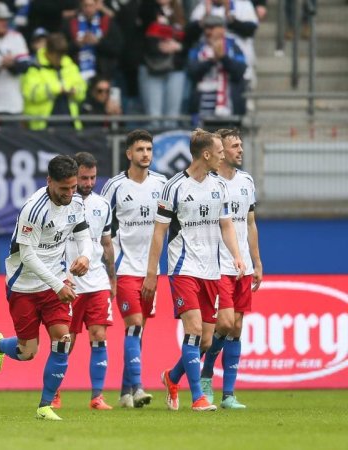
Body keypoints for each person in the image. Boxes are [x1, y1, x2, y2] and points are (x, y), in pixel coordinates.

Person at [142, 128, 245, 412]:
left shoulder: (218, 187)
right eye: (220, 151)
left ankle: (172, 377)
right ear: (206, 154)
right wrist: (153, 272)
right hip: (183, 267)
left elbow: (226, 225)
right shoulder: (174, 187)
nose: (223, 155)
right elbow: (159, 232)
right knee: (195, 330)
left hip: (212, 270)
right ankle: (198, 397)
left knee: (210, 338)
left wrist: (237, 256)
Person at [0, 155, 93, 421]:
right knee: (27, 352)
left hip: (53, 284)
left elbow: (83, 235)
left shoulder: (76, 202)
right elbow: (28, 256)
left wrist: (85, 256)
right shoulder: (33, 210)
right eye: (63, 189)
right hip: (23, 285)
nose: (69, 194)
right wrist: (58, 285)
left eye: (72, 187)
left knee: (62, 339)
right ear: (49, 182)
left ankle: (45, 406)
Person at [100, 129, 165, 408]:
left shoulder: (162, 184)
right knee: (134, 326)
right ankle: (138, 387)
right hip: (124, 266)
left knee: (137, 333)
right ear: (129, 154)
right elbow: (99, 222)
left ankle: (125, 393)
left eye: (149, 149)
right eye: (140, 150)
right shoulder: (115, 186)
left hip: (151, 270)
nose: (145, 154)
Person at [199, 128, 262, 409]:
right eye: (234, 146)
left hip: (243, 265)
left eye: (240, 145)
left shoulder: (247, 181)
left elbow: (249, 223)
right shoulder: (208, 184)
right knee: (222, 324)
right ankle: (204, 376)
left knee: (236, 327)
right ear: (220, 150)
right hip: (217, 265)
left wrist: (256, 262)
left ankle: (228, 395)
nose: (240, 150)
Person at [55, 152, 117, 410]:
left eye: (92, 178)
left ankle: (97, 396)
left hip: (97, 281)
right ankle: (54, 392)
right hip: (68, 282)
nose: (89, 182)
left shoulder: (103, 205)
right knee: (65, 340)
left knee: (99, 334)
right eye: (84, 177)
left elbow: (106, 243)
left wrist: (112, 278)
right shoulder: (60, 202)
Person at [21, 32, 87, 131]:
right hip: (42, 126)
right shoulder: (34, 66)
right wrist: (57, 89)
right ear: (49, 52)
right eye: (57, 56)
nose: (59, 60)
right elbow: (30, 93)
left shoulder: (69, 65)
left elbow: (82, 89)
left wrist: (75, 91)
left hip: (70, 125)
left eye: (62, 56)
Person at [138, 0, 186, 128]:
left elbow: (190, 39)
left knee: (172, 116)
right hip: (153, 66)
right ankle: (152, 147)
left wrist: (178, 46)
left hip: (175, 67)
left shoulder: (181, 11)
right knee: (154, 116)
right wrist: (158, 46)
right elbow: (140, 36)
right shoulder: (147, 8)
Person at [187, 15, 247, 118]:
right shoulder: (198, 47)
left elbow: (240, 71)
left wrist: (223, 58)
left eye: (212, 28)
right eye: (206, 28)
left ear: (222, 29)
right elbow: (192, 71)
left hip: (228, 105)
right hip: (203, 104)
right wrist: (212, 60)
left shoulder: (234, 47)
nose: (208, 32)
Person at [63, 0, 123, 81]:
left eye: (91, 5)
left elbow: (118, 48)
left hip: (103, 75)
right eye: (85, 6)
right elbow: (62, 49)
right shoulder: (71, 23)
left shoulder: (107, 22)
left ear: (96, 6)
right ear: (81, 6)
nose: (88, 9)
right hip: (76, 74)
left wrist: (98, 43)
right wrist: (77, 44)